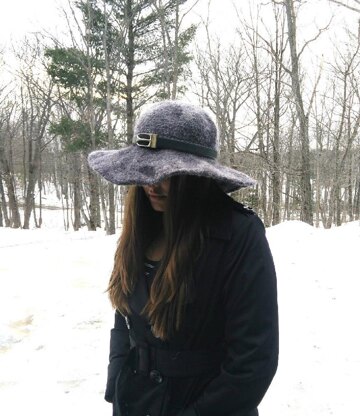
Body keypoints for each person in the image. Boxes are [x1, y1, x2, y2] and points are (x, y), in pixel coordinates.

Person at [88, 100, 278, 416]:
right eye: (144, 170)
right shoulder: (143, 224)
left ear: (197, 176)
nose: (151, 184)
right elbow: (125, 316)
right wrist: (117, 380)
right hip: (137, 401)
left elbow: (253, 359)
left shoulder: (238, 234)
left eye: (167, 173)